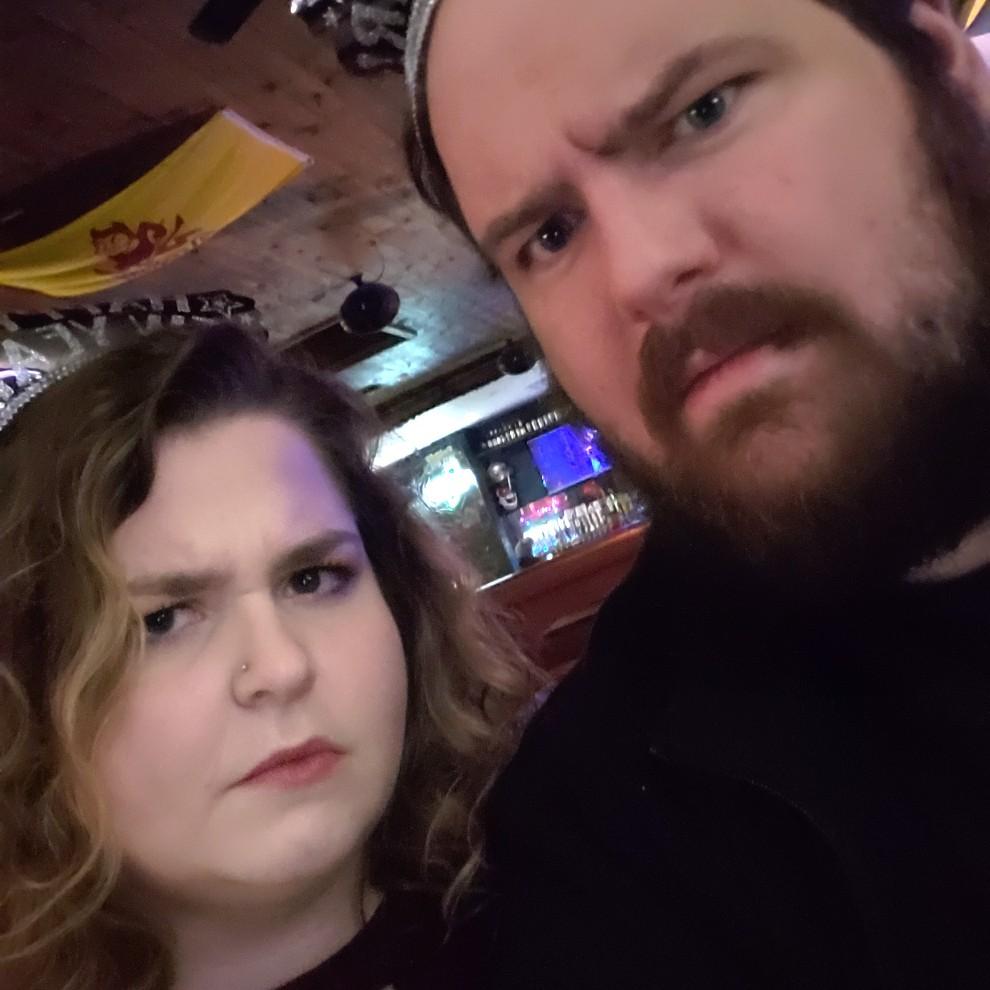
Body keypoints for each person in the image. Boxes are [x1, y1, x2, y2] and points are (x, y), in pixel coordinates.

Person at [402, 0, 990, 986]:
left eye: (704, 110)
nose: (640, 271)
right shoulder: (604, 847)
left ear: (944, 67)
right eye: (549, 234)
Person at [0, 322, 536, 990]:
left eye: (312, 579)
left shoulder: (602, 898)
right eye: (162, 620)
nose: (282, 668)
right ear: (25, 700)